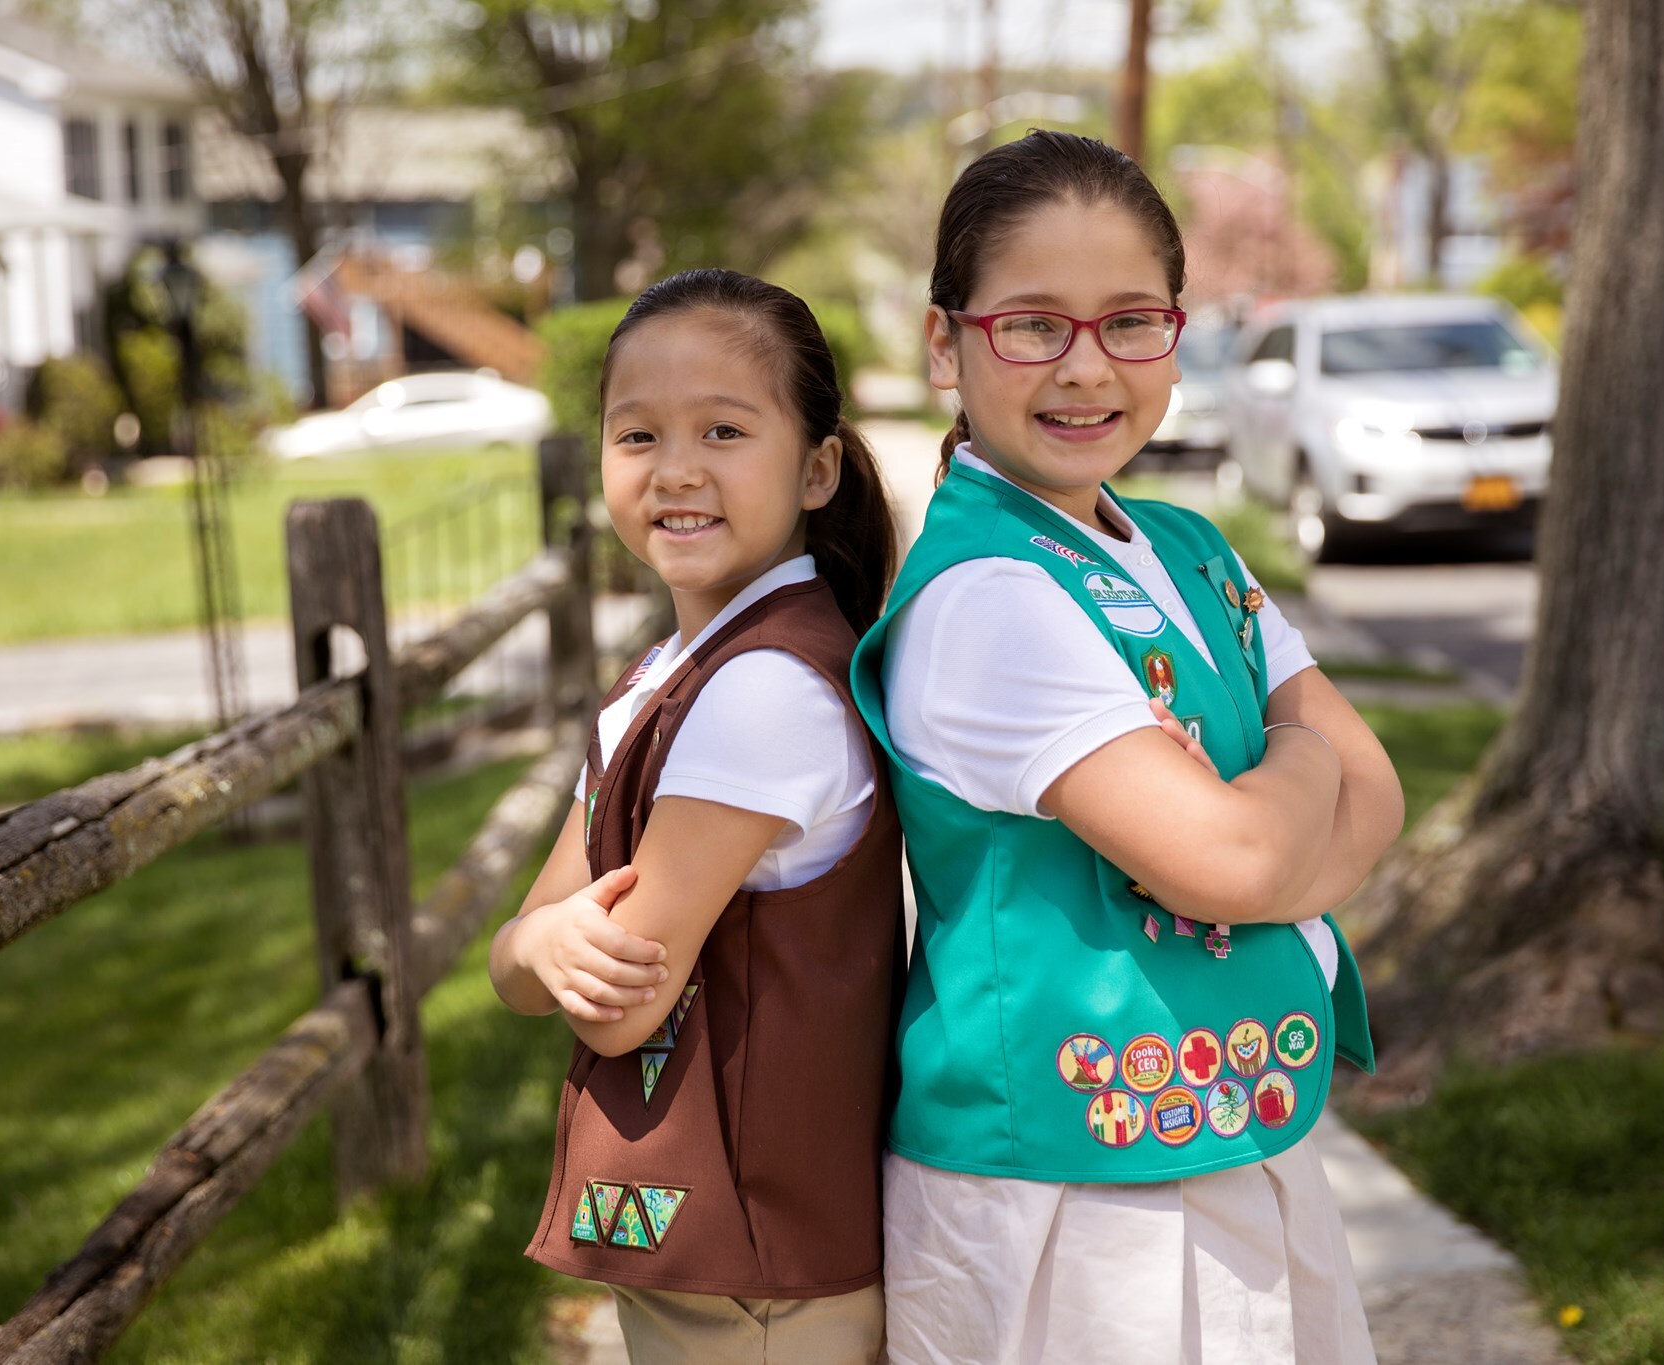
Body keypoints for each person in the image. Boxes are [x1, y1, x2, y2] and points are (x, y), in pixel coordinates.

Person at [848, 130, 1405, 1364]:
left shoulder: (1187, 545)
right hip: (1067, 1215)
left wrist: (1266, 814)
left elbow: (1375, 799)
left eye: (1128, 321)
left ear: (1175, 327)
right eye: (1031, 325)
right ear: (945, 343)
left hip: (1232, 1145)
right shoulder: (986, 597)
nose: (1085, 368)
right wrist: (1287, 771)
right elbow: (1249, 860)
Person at [488, 269, 904, 1365]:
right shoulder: (663, 679)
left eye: (723, 430)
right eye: (637, 437)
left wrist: (548, 945)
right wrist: (540, 940)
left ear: (817, 468)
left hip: (758, 1279)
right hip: (732, 1271)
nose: (675, 470)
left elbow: (612, 1005)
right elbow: (518, 955)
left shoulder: (762, 693)